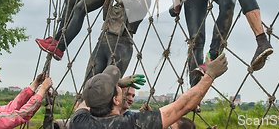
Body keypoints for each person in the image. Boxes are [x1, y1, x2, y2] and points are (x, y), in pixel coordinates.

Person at [70, 54, 228, 129]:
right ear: (115, 101)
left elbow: (87, 101)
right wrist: (210, 76)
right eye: (118, 88)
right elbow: (182, 105)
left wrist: (114, 83)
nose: (122, 90)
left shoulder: (78, 121)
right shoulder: (128, 125)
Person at [85, 0, 160, 79]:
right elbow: (107, 17)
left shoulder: (145, 0)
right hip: (103, 40)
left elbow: (125, 1)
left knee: (108, 84)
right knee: (90, 82)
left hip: (121, 44)